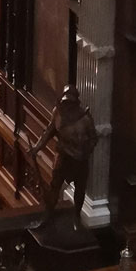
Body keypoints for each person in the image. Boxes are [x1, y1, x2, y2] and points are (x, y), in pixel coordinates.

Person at [28, 83, 98, 230]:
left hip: (80, 158)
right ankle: (48, 214)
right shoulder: (58, 114)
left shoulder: (85, 118)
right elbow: (48, 132)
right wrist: (37, 148)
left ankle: (76, 218)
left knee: (80, 189)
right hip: (63, 155)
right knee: (55, 186)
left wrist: (86, 150)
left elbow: (93, 138)